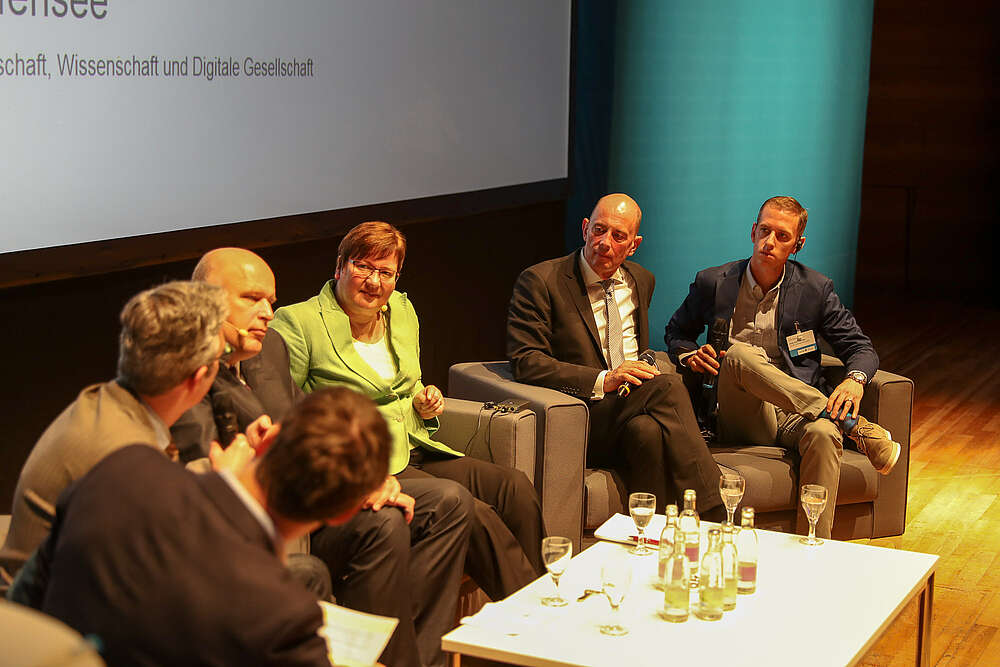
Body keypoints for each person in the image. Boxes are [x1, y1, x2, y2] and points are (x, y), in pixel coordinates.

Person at [173, 247, 472, 667]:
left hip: (310, 505)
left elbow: (307, 423)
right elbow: (211, 475)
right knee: (384, 523)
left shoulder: (268, 347)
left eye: (270, 301)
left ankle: (419, 657)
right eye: (251, 299)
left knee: (449, 503)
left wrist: (365, 477)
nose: (267, 313)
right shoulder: (186, 374)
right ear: (205, 301)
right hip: (273, 522)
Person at [8, 387, 392, 667]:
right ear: (344, 514)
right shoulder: (283, 617)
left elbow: (23, 606)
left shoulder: (123, 469)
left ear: (268, 439)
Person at [272, 221, 546, 603]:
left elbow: (408, 382)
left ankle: (544, 597)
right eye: (363, 267)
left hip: (416, 446)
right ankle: (534, 615)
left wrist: (424, 399)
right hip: (366, 465)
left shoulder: (401, 309)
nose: (374, 281)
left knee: (514, 488)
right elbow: (285, 408)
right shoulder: (299, 322)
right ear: (340, 266)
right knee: (474, 512)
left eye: (386, 272)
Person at [666, 195, 901, 538]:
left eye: (782, 236)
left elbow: (860, 348)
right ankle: (853, 425)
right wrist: (688, 355)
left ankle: (813, 545)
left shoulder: (815, 289)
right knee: (738, 354)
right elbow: (676, 333)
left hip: (795, 413)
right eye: (764, 231)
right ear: (752, 232)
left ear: (797, 245)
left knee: (824, 435)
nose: (769, 241)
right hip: (739, 411)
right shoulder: (714, 282)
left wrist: (855, 379)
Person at [507, 193, 725, 518]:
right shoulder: (541, 281)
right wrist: (605, 379)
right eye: (599, 230)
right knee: (668, 386)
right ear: (585, 229)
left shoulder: (641, 280)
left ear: (633, 245)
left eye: (618, 236)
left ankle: (652, 533)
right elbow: (526, 361)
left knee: (646, 432)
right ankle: (717, 512)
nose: (604, 243)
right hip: (582, 413)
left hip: (630, 409)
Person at [1, 281, 230, 577]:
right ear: (198, 376)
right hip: (50, 605)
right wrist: (231, 488)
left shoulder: (111, 402)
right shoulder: (124, 456)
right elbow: (174, 565)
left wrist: (221, 468)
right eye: (222, 354)